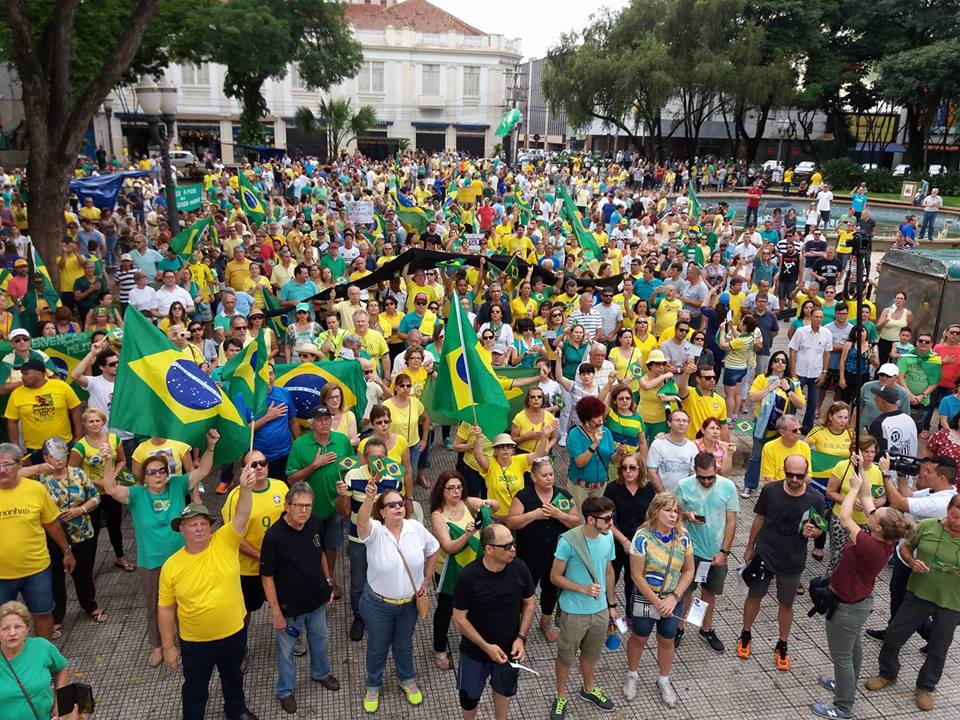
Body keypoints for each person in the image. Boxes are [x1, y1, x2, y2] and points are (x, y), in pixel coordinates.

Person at [99, 430, 219, 667]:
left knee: (186, 602)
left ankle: (187, 640)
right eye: (152, 471)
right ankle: (157, 645)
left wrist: (211, 446)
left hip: (182, 559)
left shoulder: (177, 485)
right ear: (144, 477)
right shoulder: (136, 495)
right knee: (155, 605)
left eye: (162, 471)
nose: (158, 475)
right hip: (151, 561)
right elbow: (111, 489)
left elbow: (203, 470)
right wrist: (106, 461)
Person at [811, 455, 915, 720]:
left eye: (874, 515)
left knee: (842, 655)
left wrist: (853, 488)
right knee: (853, 648)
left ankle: (843, 705)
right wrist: (860, 472)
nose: (870, 512)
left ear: (877, 526)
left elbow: (845, 515)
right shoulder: (883, 534)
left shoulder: (870, 544)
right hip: (858, 603)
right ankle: (845, 683)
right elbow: (869, 500)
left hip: (847, 606)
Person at [158, 463, 259, 720]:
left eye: (203, 523)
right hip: (195, 642)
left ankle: (236, 711)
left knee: (233, 678)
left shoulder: (224, 540)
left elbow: (242, 515)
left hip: (233, 632)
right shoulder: (171, 567)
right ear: (181, 529)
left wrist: (245, 489)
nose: (199, 528)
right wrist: (169, 646)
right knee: (194, 689)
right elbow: (166, 608)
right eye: (192, 525)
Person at [865, 494, 960, 712]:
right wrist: (911, 561)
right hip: (919, 593)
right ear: (947, 510)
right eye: (954, 516)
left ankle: (926, 686)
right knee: (894, 635)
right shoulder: (926, 526)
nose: (957, 522)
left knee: (939, 647)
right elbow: (905, 548)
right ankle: (887, 673)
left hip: (952, 602)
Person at [356, 480, 439, 714]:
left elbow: (433, 548)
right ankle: (373, 685)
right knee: (377, 647)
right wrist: (370, 497)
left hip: (408, 605)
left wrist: (425, 579)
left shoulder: (415, 528)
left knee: (404, 645)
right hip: (378, 606)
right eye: (391, 505)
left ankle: (407, 679)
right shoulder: (374, 531)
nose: (398, 508)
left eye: (400, 503)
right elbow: (361, 521)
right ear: (381, 512)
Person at [736, 454, 824, 671]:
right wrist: (749, 547)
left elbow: (821, 528)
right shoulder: (770, 490)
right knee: (754, 596)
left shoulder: (815, 499)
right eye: (789, 474)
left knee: (786, 604)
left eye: (799, 476)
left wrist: (814, 532)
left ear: (807, 474)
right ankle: (745, 634)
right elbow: (759, 519)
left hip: (793, 560)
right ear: (784, 471)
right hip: (765, 554)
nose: (794, 479)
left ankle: (782, 644)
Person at [260, 482, 339, 715]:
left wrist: (328, 583)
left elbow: (322, 554)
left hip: (317, 600)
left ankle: (321, 673)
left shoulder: (314, 522)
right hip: (289, 608)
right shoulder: (273, 536)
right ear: (287, 506)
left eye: (308, 505)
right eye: (299, 506)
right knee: (286, 652)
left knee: (320, 640)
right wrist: (275, 610)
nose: (304, 510)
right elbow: (267, 576)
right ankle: (285, 691)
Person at [866, 456, 958, 642]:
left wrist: (886, 474)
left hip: (916, 561)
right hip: (906, 554)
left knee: (909, 605)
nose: (923, 473)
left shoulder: (942, 502)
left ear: (942, 478)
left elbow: (900, 503)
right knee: (897, 596)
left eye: (928, 471)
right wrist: (901, 474)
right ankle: (893, 630)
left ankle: (931, 639)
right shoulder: (934, 492)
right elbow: (908, 495)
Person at [452, 522, 536, 720]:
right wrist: (486, 646)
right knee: (469, 698)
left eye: (513, 543)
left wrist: (521, 638)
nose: (513, 548)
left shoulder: (520, 568)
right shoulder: (468, 577)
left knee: (504, 692)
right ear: (489, 549)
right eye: (507, 546)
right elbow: (459, 619)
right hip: (474, 653)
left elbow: (530, 603)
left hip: (509, 652)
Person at [22, 438, 106, 636]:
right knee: (55, 576)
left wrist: (81, 509)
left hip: (81, 531)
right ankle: (57, 615)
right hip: (52, 535)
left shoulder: (78, 474)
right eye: (53, 456)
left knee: (84, 572)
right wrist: (38, 468)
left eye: (62, 455)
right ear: (45, 457)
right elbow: (12, 474)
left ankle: (90, 605)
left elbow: (96, 496)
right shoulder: (39, 479)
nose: (59, 460)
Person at [548, 496, 619, 718]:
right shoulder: (568, 542)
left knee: (591, 654)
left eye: (612, 517)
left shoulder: (607, 537)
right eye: (607, 519)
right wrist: (582, 589)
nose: (611, 523)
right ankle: (560, 697)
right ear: (590, 519)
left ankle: (588, 689)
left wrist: (612, 604)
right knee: (566, 657)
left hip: (600, 611)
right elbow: (555, 576)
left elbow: (608, 570)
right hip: (574, 611)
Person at [623, 491, 695, 708]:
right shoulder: (642, 537)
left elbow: (689, 570)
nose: (673, 515)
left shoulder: (683, 536)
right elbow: (636, 575)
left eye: (676, 511)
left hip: (672, 599)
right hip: (647, 598)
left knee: (667, 639)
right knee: (640, 637)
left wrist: (673, 598)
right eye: (668, 510)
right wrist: (657, 602)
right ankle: (632, 675)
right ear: (656, 511)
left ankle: (664, 679)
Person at [0, 442, 75, 641]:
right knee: (3, 620)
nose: (2, 469)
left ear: (19, 465)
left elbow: (51, 524)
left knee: (42, 614)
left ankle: (42, 658)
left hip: (36, 569)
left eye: (7, 464)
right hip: (1, 574)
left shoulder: (35, 489)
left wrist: (66, 551)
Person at [221, 449, 288, 668]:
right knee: (245, 611)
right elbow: (235, 537)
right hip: (248, 569)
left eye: (262, 463)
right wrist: (263, 556)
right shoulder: (235, 496)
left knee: (284, 604)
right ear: (243, 470)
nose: (258, 468)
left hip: (279, 566)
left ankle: (290, 640)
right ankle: (241, 647)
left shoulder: (281, 487)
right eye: (253, 465)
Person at [506, 457, 580, 644]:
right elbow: (512, 522)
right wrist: (534, 515)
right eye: (544, 475)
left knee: (550, 589)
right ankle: (520, 625)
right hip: (528, 554)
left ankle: (545, 621)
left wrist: (559, 514)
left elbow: (576, 521)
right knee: (523, 591)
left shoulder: (562, 495)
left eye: (551, 474)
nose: (549, 478)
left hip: (555, 555)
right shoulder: (524, 496)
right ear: (533, 477)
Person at [430, 470, 499, 667]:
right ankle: (440, 649)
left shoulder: (468, 502)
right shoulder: (438, 515)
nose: (456, 492)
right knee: (445, 609)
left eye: (459, 487)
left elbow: (496, 506)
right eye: (450, 488)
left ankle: (473, 641)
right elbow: (449, 547)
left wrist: (489, 503)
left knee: (475, 606)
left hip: (473, 567)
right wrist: (468, 534)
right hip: (449, 570)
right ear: (442, 491)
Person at [286, 405, 356, 600]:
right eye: (320, 419)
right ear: (311, 423)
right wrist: (315, 465)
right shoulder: (300, 445)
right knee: (309, 546)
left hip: (335, 506)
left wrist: (348, 497)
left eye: (328, 418)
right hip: (307, 510)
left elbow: (351, 468)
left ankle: (329, 579)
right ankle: (311, 580)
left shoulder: (341, 440)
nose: (325, 423)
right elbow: (292, 479)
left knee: (331, 545)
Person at [675, 453, 739, 653]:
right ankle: (679, 627)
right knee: (685, 591)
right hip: (690, 551)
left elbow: (731, 521)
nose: (706, 481)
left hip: (715, 553)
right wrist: (685, 515)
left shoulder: (728, 487)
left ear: (716, 470)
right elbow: (673, 515)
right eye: (701, 477)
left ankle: (706, 628)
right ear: (695, 472)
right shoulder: (684, 486)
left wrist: (724, 552)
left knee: (710, 593)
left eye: (710, 477)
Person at [0, 600, 69, 720]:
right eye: (5, 628)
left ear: (27, 628)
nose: (12, 633)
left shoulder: (42, 646)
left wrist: (60, 702)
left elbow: (61, 669)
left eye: (18, 627)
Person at [472, 426, 552, 520]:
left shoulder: (519, 460)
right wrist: (478, 438)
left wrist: (544, 437)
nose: (505, 449)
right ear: (495, 450)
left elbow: (538, 454)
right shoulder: (490, 464)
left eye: (508, 446)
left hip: (518, 515)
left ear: (512, 449)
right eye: (501, 446)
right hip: (497, 517)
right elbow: (478, 456)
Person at [4, 358, 81, 456]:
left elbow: (76, 409)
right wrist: (16, 447)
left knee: (65, 471)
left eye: (26, 374)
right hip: (35, 449)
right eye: (21, 374)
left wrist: (78, 436)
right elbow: (12, 421)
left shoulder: (61, 386)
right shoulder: (16, 394)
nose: (22, 377)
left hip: (63, 444)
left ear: (40, 373)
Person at [566, 396, 618, 507]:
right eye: (596, 417)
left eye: (601, 415)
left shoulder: (606, 432)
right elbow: (579, 463)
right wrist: (594, 445)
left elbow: (612, 460)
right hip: (580, 487)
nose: (600, 419)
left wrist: (619, 453)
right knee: (582, 521)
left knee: (597, 518)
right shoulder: (575, 434)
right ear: (586, 418)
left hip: (601, 486)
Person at [789, 308, 832, 434]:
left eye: (820, 317)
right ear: (811, 316)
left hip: (816, 373)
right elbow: (792, 351)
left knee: (812, 403)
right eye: (816, 317)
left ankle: (807, 428)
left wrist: (824, 372)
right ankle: (790, 424)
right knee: (793, 399)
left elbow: (827, 354)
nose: (818, 319)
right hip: (800, 371)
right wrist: (792, 372)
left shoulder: (826, 333)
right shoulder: (801, 331)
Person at [647, 410, 698, 492]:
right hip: (662, 496)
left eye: (684, 421)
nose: (681, 423)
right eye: (677, 420)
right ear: (669, 423)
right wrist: (664, 495)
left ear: (688, 425)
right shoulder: (658, 444)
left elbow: (693, 474)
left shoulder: (692, 447)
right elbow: (652, 472)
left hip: (684, 495)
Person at [760, 415, 813, 486]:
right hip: (777, 489)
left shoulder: (804, 447)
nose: (799, 432)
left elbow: (808, 476)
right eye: (794, 430)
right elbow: (769, 479)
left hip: (798, 488)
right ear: (782, 432)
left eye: (800, 429)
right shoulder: (769, 448)